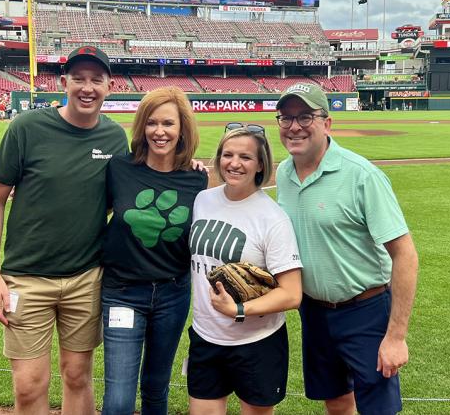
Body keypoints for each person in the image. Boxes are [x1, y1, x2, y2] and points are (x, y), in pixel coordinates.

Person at [0, 46, 127, 414]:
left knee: (78, 376)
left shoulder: (114, 139)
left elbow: (124, 198)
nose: (87, 87)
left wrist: (186, 164)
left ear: (110, 86)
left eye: (96, 79)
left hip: (86, 278)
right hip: (26, 278)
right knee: (29, 385)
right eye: (79, 79)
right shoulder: (28, 128)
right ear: (64, 83)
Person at [274, 83, 419, 415]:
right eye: (286, 117)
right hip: (313, 311)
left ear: (327, 123)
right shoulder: (284, 173)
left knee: (378, 408)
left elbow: (405, 253)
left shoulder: (361, 175)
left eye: (305, 116)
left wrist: (396, 336)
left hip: (365, 309)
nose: (294, 126)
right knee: (336, 400)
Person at [100, 87, 207, 415]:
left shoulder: (197, 178)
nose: (159, 131)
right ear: (142, 127)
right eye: (152, 123)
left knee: (156, 387)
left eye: (168, 124)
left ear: (182, 129)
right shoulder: (119, 168)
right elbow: (85, 208)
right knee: (118, 400)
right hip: (122, 293)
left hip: (172, 295)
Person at [187, 125, 303, 415]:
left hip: (257, 342)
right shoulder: (203, 200)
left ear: (260, 163)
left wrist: (238, 310)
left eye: (245, 157)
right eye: (227, 154)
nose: (234, 163)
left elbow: (291, 294)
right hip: (206, 336)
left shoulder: (272, 219)